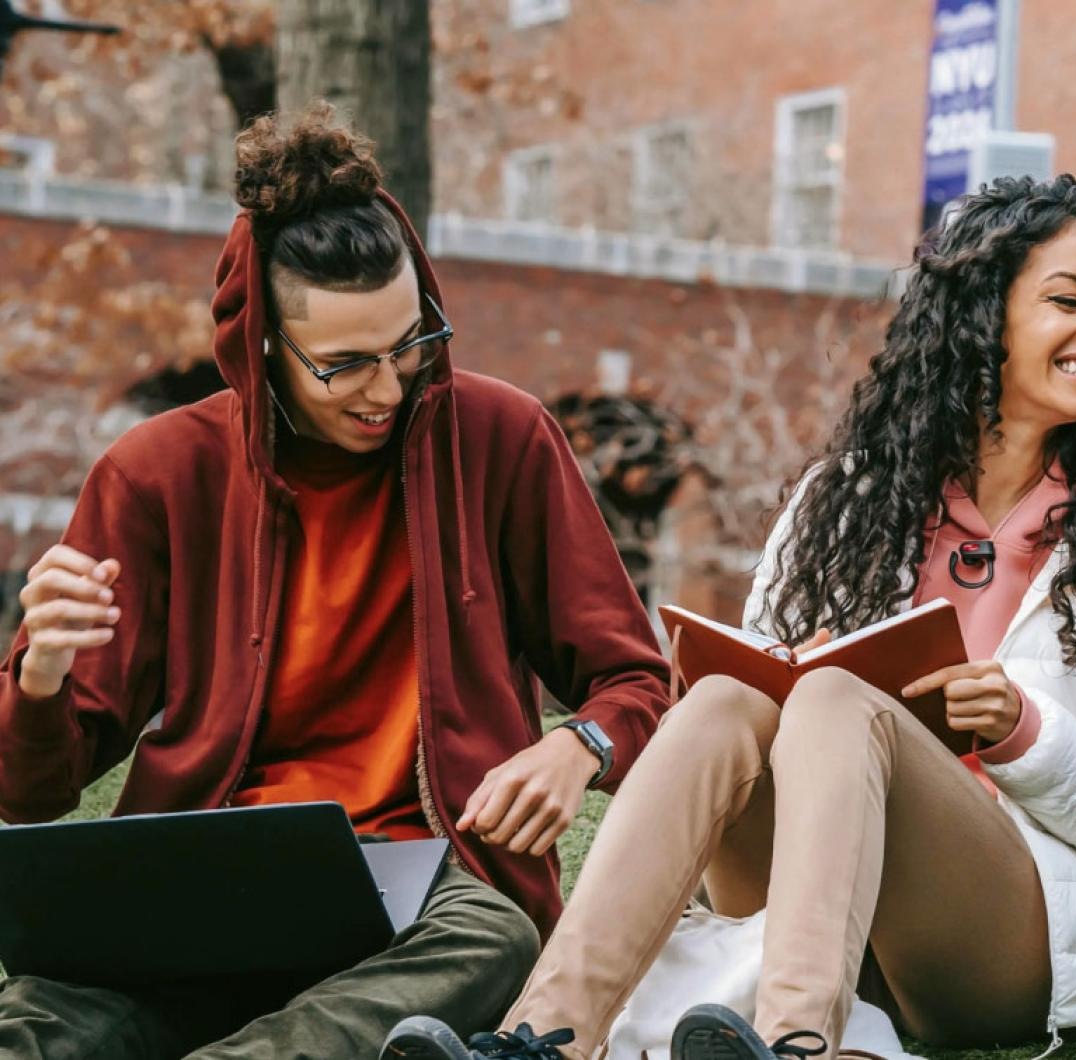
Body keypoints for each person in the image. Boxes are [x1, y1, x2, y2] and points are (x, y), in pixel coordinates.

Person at [383, 174, 1076, 1060]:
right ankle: (543, 1037)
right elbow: (757, 705)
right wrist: (783, 669)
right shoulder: (843, 501)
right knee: (727, 701)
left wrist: (1025, 730)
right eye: (1068, 300)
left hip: (1003, 939)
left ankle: (798, 1041)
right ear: (982, 315)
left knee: (838, 701)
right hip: (808, 903)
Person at [0, 105, 672, 1057]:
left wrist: (580, 749)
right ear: (263, 343)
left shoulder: (503, 438)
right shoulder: (155, 473)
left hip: (424, 887)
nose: (389, 390)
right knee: (36, 1015)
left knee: (496, 939)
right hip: (208, 876)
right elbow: (35, 794)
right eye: (346, 365)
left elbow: (637, 676)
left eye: (411, 343)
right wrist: (40, 676)